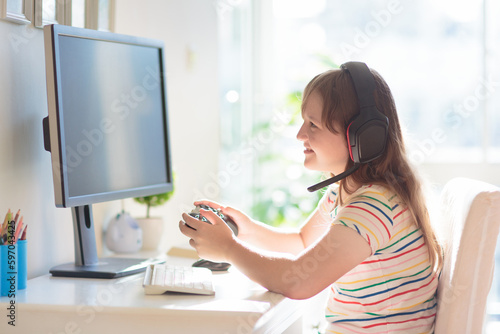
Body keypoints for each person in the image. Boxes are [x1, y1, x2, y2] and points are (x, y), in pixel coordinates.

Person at [179, 62, 443, 333]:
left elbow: (298, 282)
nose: (300, 135)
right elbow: (302, 242)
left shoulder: (374, 206)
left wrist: (228, 250)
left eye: (313, 125)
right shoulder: (346, 192)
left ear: (364, 136)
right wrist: (245, 230)